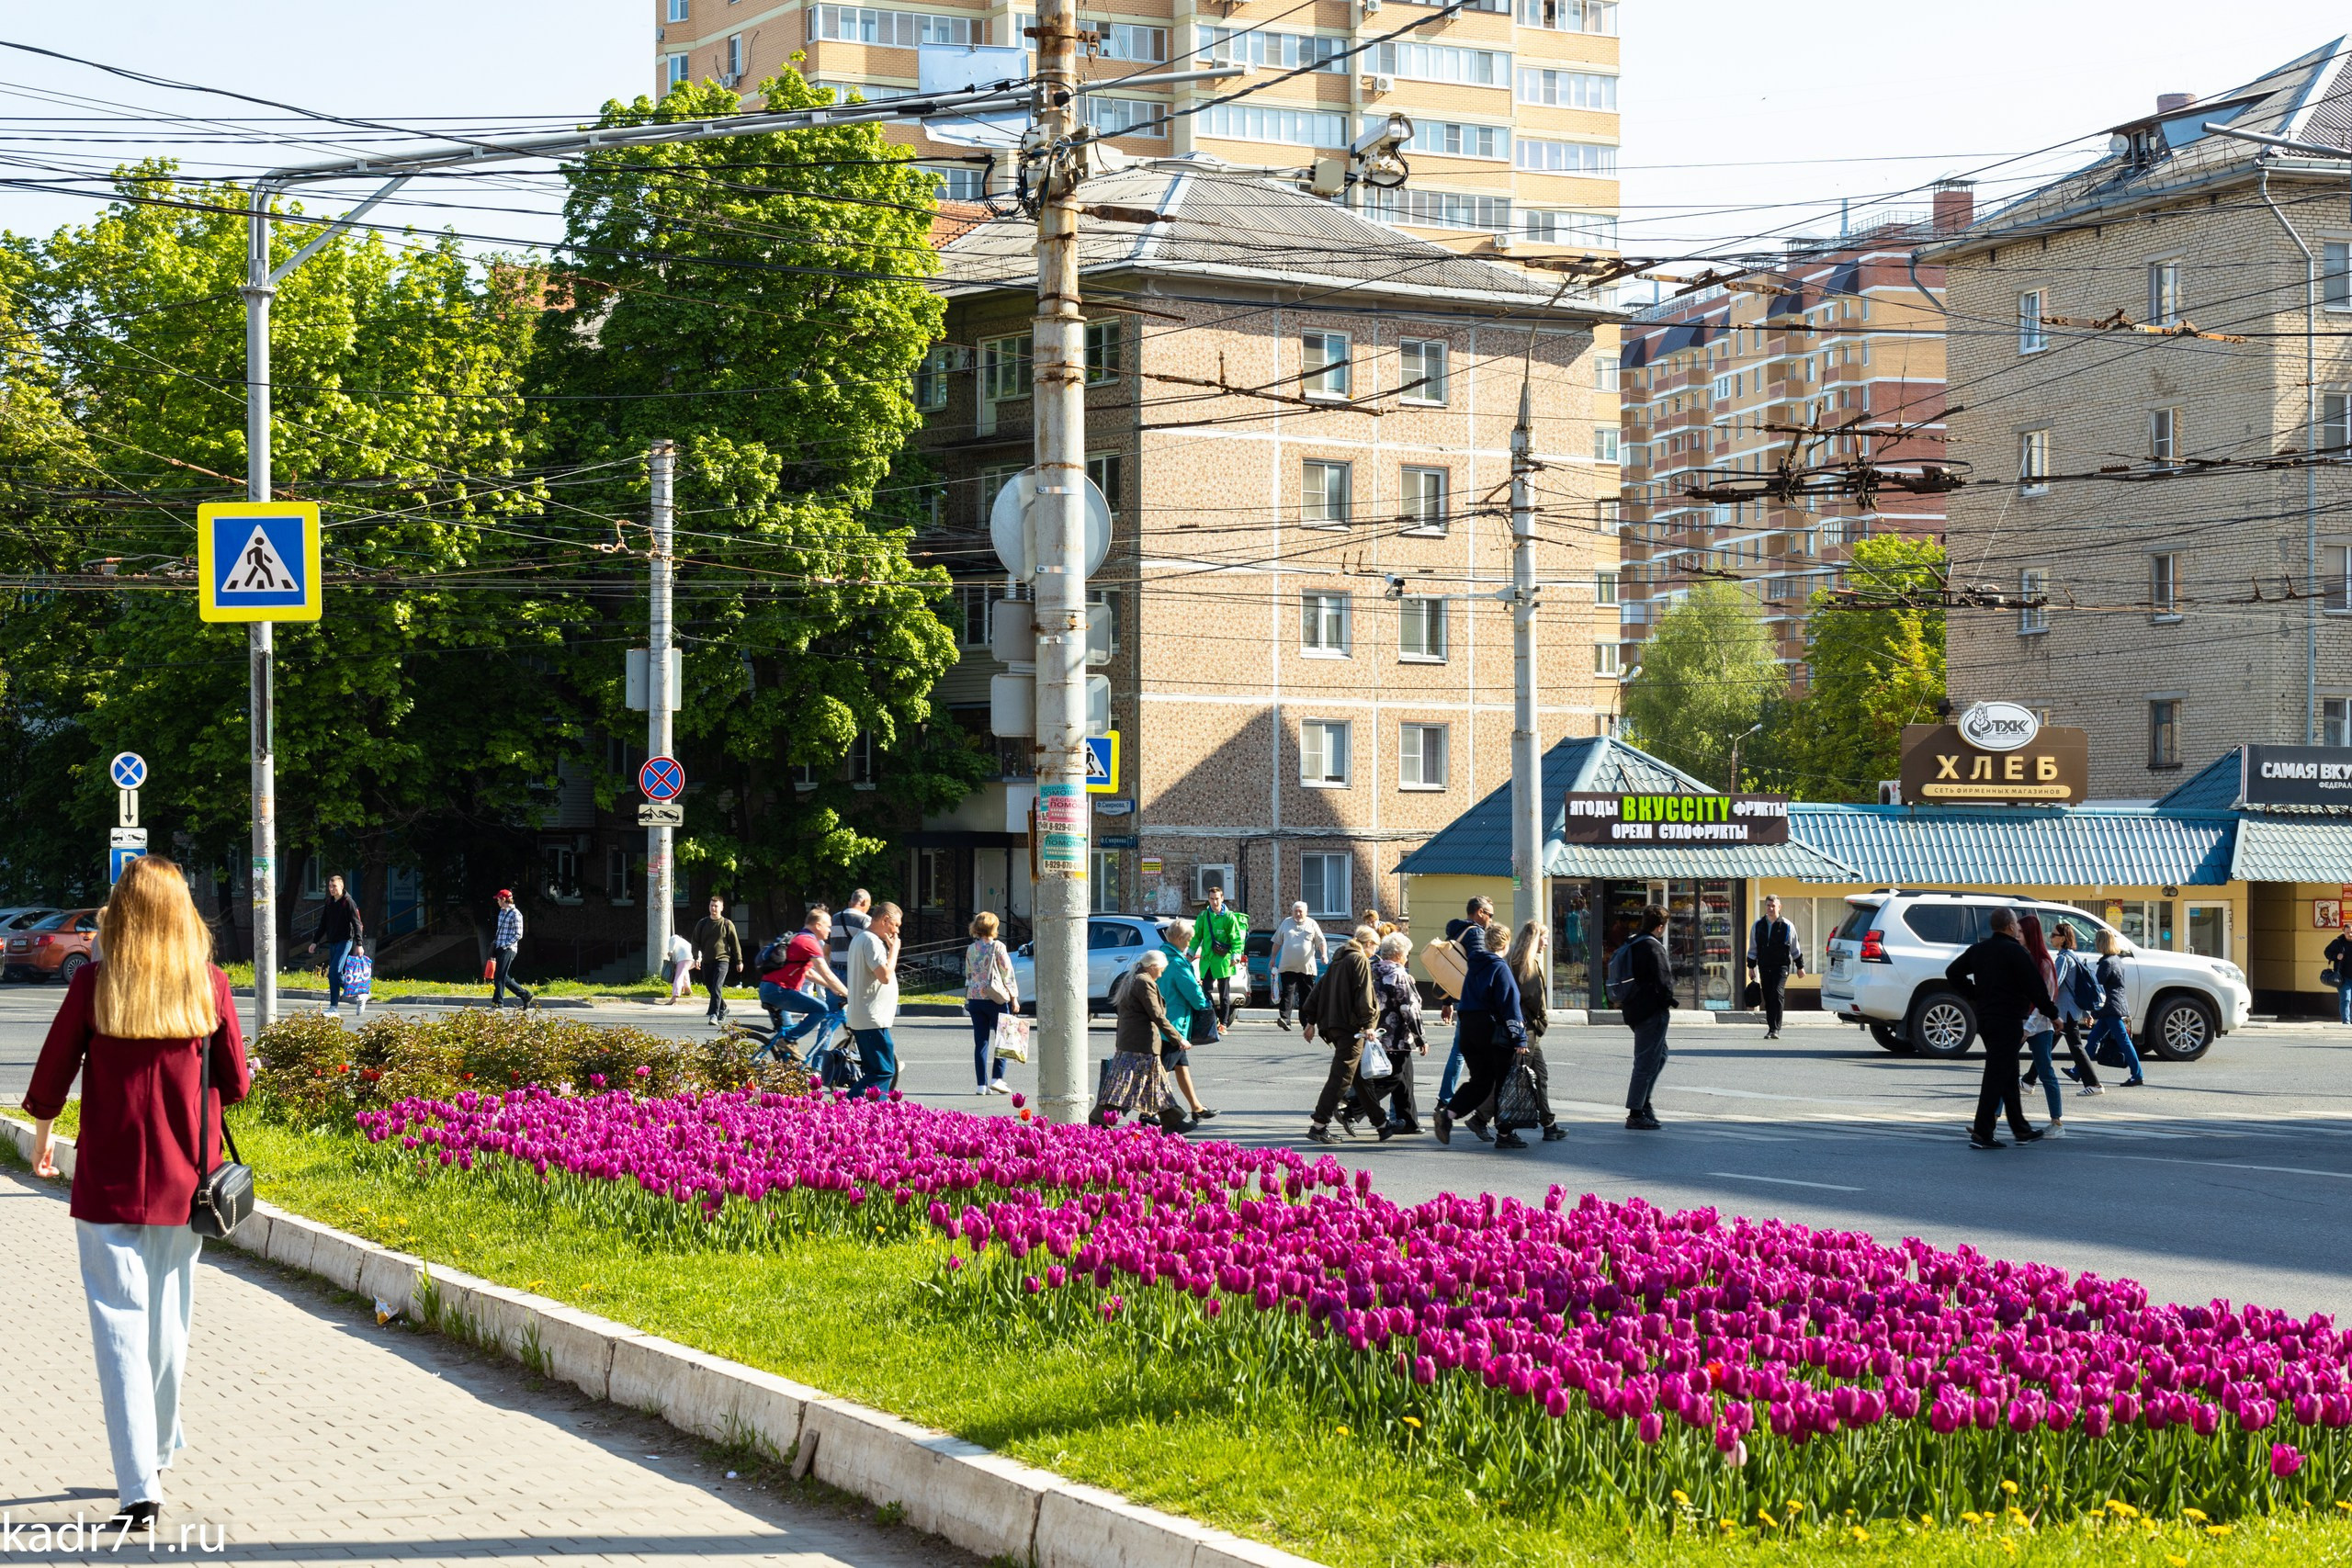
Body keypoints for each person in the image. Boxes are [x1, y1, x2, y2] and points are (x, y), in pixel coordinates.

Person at [22, 854, 252, 1532]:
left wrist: (41, 1138)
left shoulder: (96, 981)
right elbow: (235, 1083)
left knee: (119, 1323)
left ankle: (137, 1484)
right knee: (168, 1318)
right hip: (189, 1182)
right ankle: (156, 1450)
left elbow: (54, 1066)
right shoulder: (208, 984)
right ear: (184, 913)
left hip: (109, 1181)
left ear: (119, 912)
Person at [1945, 908, 2060, 1149]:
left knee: (2008, 1075)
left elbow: (1952, 972)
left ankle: (2020, 1129)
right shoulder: (2016, 952)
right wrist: (2054, 1015)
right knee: (1996, 1075)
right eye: (2016, 926)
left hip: (1986, 1019)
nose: (2018, 929)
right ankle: (1982, 1132)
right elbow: (2035, 989)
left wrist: (1975, 994)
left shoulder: (1980, 950)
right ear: (2009, 926)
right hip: (2008, 1020)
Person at [1434, 924, 1525, 1145]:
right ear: (1505, 944)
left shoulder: (1473, 966)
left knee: (1481, 1082)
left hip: (1468, 1030)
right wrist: (1519, 1037)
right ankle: (1504, 1135)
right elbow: (1509, 1004)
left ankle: (1448, 1115)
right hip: (1491, 1031)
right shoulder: (1500, 968)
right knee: (1503, 1084)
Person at [1301, 925, 1381, 1145]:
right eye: (1375, 947)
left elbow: (1318, 991)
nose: (1375, 952)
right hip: (1351, 1028)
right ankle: (1319, 1125)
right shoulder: (1359, 959)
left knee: (1357, 1075)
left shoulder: (1339, 959)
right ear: (1368, 944)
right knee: (1342, 1077)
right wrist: (1368, 1025)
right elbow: (1364, 995)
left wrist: (1311, 1021)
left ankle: (1381, 1123)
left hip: (1334, 1026)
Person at [1499, 919, 1566, 1145]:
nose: (1546, 943)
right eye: (1544, 938)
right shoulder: (1526, 964)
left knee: (1539, 1076)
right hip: (1525, 1032)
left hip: (1525, 1031)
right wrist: (1541, 1023)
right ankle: (1504, 1132)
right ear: (1535, 940)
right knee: (1521, 1081)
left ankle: (1549, 1124)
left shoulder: (1514, 961)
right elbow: (1534, 1000)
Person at [1098, 950, 1182, 1127]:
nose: (1161, 973)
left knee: (1157, 1086)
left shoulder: (1131, 978)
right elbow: (1157, 1015)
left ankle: (1173, 1122)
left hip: (1132, 1042)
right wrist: (1178, 1038)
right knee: (1121, 1087)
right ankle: (1099, 1121)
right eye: (1161, 970)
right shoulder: (1144, 982)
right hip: (1140, 1045)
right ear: (1153, 967)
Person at [1153, 919, 1219, 1126]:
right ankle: (1151, 1113)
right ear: (1181, 939)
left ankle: (1196, 1108)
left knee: (1181, 1067)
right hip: (1174, 1025)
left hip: (1164, 1022)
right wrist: (1205, 1005)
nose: (1190, 945)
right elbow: (1193, 993)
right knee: (1159, 1072)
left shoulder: (1161, 956)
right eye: (1189, 940)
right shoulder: (1178, 963)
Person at [1436, 896, 1497, 1105]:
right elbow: (1478, 968)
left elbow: (1455, 969)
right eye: (1490, 914)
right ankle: (1471, 1100)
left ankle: (1446, 1097)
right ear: (1480, 912)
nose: (1491, 919)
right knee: (1478, 1052)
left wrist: (1447, 1001)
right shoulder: (1476, 934)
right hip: (1476, 1000)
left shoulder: (1457, 931)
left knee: (1460, 1050)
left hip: (1462, 997)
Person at [2016, 914, 2071, 1138]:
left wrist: (2027, 1029)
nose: (2016, 935)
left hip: (2039, 1026)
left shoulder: (2045, 963)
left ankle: (2057, 1123)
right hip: (2021, 1023)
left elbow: (2045, 1001)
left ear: (2030, 934)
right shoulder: (2019, 957)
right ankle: (1990, 1121)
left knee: (2046, 1072)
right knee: (2002, 1070)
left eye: (2020, 932)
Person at [1620, 905, 1674, 1131]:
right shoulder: (1653, 947)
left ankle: (1644, 1103)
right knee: (1645, 1061)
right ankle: (1636, 1111)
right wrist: (1667, 1002)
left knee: (1659, 1055)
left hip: (1633, 1009)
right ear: (1660, 927)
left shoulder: (1632, 943)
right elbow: (1664, 982)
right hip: (1650, 1011)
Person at [1368, 931, 1426, 1134]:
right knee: (1394, 1077)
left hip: (1376, 1034)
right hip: (1397, 1036)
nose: (1407, 958)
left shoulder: (1371, 970)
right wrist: (1420, 1038)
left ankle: (1408, 1121)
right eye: (1407, 954)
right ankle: (1353, 1106)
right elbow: (1408, 1009)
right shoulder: (1399, 974)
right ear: (1399, 954)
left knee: (1405, 1078)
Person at [763, 906, 845, 1047]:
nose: (830, 930)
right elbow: (826, 972)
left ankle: (785, 1055)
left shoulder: (798, 937)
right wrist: (847, 993)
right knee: (821, 1009)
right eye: (828, 926)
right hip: (780, 991)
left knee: (787, 1042)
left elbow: (809, 973)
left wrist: (832, 988)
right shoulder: (809, 942)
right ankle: (787, 1041)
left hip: (768, 989)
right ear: (818, 926)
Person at [844, 900, 902, 1096]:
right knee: (884, 1070)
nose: (897, 931)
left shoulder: (862, 938)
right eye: (896, 925)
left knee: (874, 1070)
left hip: (867, 1017)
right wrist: (894, 949)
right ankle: (850, 1105)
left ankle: (865, 1112)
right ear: (886, 920)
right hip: (872, 1018)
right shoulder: (871, 940)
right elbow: (884, 975)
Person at [2041, 922, 2105, 1097]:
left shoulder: (2063, 958)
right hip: (2069, 1010)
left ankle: (2094, 1084)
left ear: (2062, 939)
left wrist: (2042, 1004)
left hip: (2064, 1012)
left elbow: (2056, 984)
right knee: (2047, 1045)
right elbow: (2076, 988)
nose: (2050, 937)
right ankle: (2028, 1080)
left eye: (2053, 935)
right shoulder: (2073, 956)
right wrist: (2086, 1013)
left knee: (2076, 1046)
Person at [963, 911, 1019, 1096]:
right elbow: (1007, 974)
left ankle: (981, 1085)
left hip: (975, 998)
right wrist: (1014, 998)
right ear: (993, 928)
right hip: (996, 998)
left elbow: (968, 974)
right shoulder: (998, 947)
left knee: (981, 1042)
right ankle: (997, 1079)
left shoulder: (971, 949)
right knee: (1004, 1039)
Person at [2086, 929, 2147, 1087]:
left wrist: (2090, 1008)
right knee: (2093, 1039)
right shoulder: (2116, 960)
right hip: (2114, 1006)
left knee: (2124, 1042)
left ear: (2101, 943)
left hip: (2110, 1008)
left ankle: (2137, 1074)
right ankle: (2078, 1070)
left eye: (2096, 941)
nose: (2095, 944)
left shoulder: (2106, 963)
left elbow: (2098, 986)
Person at [303, 873, 365, 1014]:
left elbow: (357, 924)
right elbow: (323, 924)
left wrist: (359, 944)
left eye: (334, 886)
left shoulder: (348, 902)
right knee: (335, 975)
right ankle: (345, 1002)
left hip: (345, 942)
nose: (331, 889)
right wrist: (315, 942)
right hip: (333, 942)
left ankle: (344, 1001)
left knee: (334, 972)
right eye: (330, 886)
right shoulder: (329, 902)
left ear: (341, 887)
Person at [1187, 885, 1249, 1026]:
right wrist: (1190, 952)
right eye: (1211, 899)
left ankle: (1224, 1023)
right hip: (1207, 960)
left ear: (1222, 899)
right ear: (1208, 900)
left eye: (1217, 899)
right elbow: (1196, 937)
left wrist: (1235, 955)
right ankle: (1213, 1019)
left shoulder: (1228, 917)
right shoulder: (1203, 916)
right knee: (1206, 992)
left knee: (1224, 995)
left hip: (1223, 961)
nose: (1214, 902)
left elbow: (1236, 939)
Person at [1746, 894, 1804, 1040]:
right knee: (1768, 996)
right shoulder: (1758, 925)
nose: (1771, 908)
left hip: (1781, 967)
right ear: (1765, 907)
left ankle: (1776, 1029)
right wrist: (1751, 967)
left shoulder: (1787, 925)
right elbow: (1753, 948)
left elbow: (1795, 948)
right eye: (1768, 906)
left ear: (1779, 907)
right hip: (1764, 966)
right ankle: (1771, 1028)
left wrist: (1800, 966)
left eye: (1773, 906)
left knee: (1777, 994)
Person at [1270, 901, 1327, 1031]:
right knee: (1287, 993)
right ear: (1292, 911)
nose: (1298, 913)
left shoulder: (1312, 923)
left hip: (1307, 968)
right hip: (1287, 966)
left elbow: (1321, 941)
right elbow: (1277, 942)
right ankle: (1285, 1019)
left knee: (1306, 994)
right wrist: (1273, 957)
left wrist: (1324, 954)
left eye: (1301, 911)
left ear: (1306, 912)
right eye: (1296, 911)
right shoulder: (1286, 923)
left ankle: (1306, 1022)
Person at [693, 896, 744, 1025]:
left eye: (716, 906)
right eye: (711, 906)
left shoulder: (727, 924)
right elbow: (695, 942)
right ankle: (724, 1008)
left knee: (716, 986)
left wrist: (739, 961)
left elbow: (735, 943)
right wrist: (696, 957)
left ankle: (713, 1015)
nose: (713, 908)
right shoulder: (702, 923)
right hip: (706, 960)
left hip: (722, 960)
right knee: (710, 987)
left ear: (722, 908)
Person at [489, 888, 534, 1010]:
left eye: (498, 899)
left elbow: (518, 934)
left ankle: (497, 1004)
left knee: (499, 976)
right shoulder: (502, 912)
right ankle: (526, 995)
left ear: (503, 899)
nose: (497, 901)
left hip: (508, 948)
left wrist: (504, 945)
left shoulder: (516, 913)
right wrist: (496, 943)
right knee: (503, 976)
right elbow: (500, 931)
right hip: (499, 947)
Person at [831, 888, 873, 969]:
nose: (868, 908)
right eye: (869, 905)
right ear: (864, 902)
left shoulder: (835, 918)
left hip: (835, 969)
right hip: (854, 970)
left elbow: (826, 949)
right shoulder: (866, 920)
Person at [663, 930, 695, 1005]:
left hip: (684, 958)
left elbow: (673, 942)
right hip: (693, 958)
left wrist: (670, 951)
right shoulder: (685, 942)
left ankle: (674, 996)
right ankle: (687, 989)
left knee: (679, 976)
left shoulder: (674, 937)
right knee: (684, 972)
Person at [2329, 925, 2352, 1025]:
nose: (2350, 934)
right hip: (2343, 977)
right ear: (2343, 931)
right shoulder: (2338, 942)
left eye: (2351, 932)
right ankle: (2346, 1021)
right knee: (2346, 998)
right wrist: (2336, 956)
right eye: (2348, 932)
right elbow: (2327, 952)